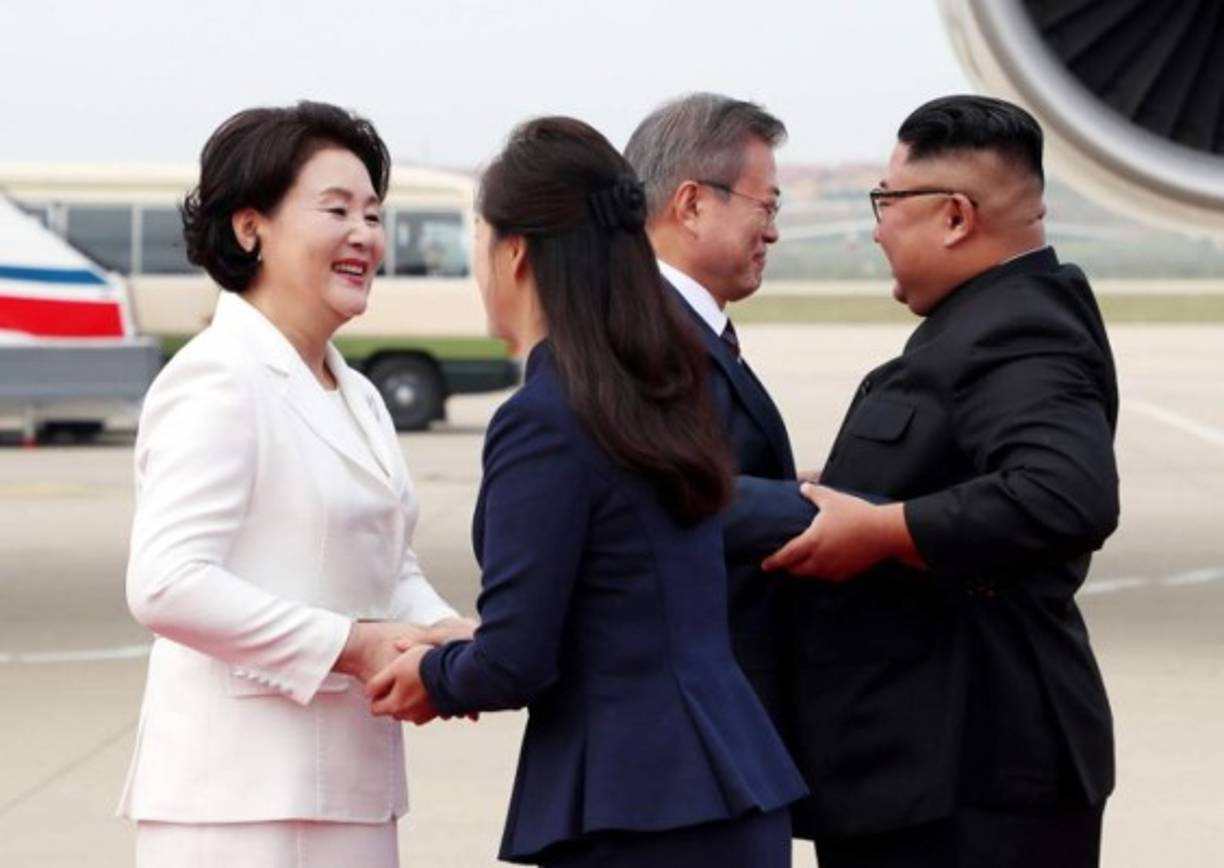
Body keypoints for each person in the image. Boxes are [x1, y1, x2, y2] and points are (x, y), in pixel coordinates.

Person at [364, 116, 806, 867]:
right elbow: (624, 600)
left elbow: (518, 662)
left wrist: (433, 677)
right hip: (726, 789)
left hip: (639, 810)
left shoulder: (545, 418)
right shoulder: (655, 391)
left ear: (515, 253)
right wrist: (470, 640)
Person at [762, 95, 1119, 867]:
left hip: (972, 775)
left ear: (955, 216)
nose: (876, 226)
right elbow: (965, 468)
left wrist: (882, 532)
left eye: (886, 201)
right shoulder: (983, 321)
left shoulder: (1019, 330)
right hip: (933, 768)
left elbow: (1064, 493)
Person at [117, 101, 471, 867]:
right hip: (236, 806)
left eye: (374, 215)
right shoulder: (218, 377)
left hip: (349, 790)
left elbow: (387, 565)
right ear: (251, 228)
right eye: (336, 210)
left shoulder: (359, 393)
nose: (365, 237)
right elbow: (166, 582)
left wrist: (453, 640)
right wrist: (351, 647)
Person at [623, 93, 813, 732]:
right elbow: (663, 500)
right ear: (693, 204)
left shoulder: (676, 326)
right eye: (767, 204)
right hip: (690, 728)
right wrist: (829, 512)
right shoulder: (640, 338)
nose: (775, 229)